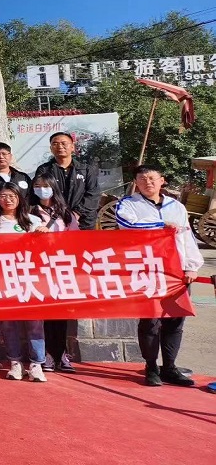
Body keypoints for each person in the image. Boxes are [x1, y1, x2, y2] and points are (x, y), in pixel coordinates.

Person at [115, 165, 202, 387]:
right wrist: (160, 225)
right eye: (142, 179)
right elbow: (127, 225)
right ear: (136, 182)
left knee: (175, 319)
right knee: (150, 320)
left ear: (162, 180)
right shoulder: (128, 204)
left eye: (152, 178)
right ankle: (151, 366)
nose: (148, 183)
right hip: (148, 270)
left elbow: (187, 237)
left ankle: (170, 366)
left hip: (176, 271)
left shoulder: (177, 207)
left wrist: (191, 266)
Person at [0, 183, 48, 382]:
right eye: (2, 196)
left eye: (11, 196)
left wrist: (44, 234)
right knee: (8, 323)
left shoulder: (33, 220)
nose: (7, 200)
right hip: (3, 278)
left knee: (35, 322)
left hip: (29, 277)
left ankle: (36, 364)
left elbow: (45, 249)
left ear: (19, 198)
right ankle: (15, 362)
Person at [30, 174, 79, 373]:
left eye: (45, 185)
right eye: (37, 185)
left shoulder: (65, 213)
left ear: (53, 187)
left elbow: (75, 239)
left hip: (60, 267)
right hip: (37, 268)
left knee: (60, 313)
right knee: (43, 314)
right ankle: (47, 354)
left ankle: (61, 354)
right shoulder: (29, 211)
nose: (41, 189)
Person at [34, 131, 101, 230]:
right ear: (51, 148)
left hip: (83, 220)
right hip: (55, 220)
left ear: (72, 147)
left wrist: (76, 213)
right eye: (55, 144)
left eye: (64, 143)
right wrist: (59, 214)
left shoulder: (86, 170)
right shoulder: (44, 170)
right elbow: (40, 194)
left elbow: (93, 194)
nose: (60, 146)